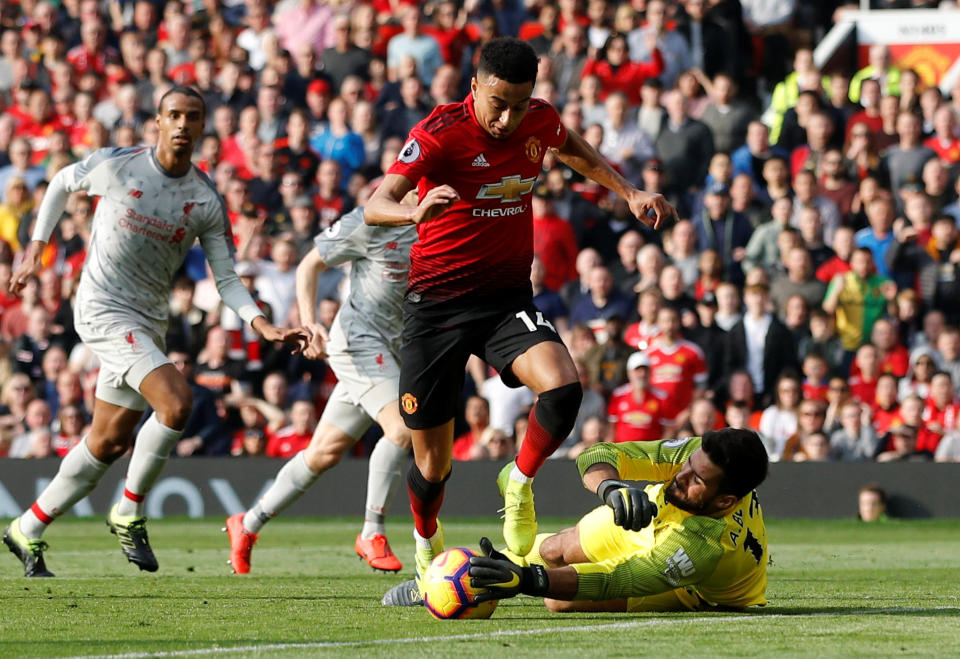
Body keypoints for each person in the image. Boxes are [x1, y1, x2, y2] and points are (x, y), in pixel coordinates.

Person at [368, 38, 674, 604]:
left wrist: (628, 191)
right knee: (432, 465)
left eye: (519, 103)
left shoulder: (539, 120)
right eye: (497, 103)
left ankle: (520, 479)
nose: (507, 118)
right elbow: (374, 203)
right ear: (476, 85)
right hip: (436, 307)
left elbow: (569, 145)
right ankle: (427, 552)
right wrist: (412, 210)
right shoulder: (439, 133)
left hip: (505, 298)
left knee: (562, 387)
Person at [3, 87, 304, 578]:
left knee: (106, 440)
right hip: (101, 308)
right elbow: (59, 182)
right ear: (158, 122)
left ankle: (27, 527)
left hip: (146, 322)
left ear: (204, 128)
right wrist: (37, 245)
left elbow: (226, 277)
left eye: (192, 117)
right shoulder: (119, 166)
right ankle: (129, 510)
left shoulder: (203, 198)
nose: (182, 124)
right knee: (177, 402)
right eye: (173, 116)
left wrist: (261, 323)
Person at [225, 205, 417, 574]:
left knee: (323, 453)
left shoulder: (446, 224)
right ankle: (371, 532)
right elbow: (309, 265)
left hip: (394, 350)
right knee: (402, 428)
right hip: (358, 342)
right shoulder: (372, 217)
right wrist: (310, 323)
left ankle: (246, 525)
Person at [466, 429, 769, 613]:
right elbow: (598, 454)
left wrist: (529, 580)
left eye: (696, 480)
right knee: (554, 550)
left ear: (725, 501)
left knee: (558, 602)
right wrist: (611, 487)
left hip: (690, 586)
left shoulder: (705, 547)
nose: (680, 475)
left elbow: (617, 578)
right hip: (660, 516)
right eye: (688, 464)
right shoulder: (697, 455)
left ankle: (495, 573)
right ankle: (462, 570)